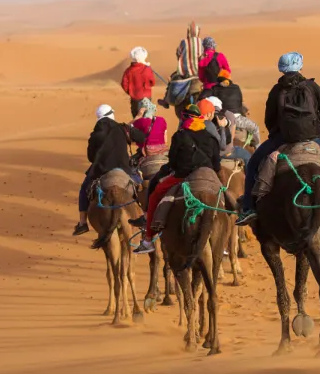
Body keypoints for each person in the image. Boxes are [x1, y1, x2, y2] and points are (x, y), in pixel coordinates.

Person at [235, 52, 320, 226]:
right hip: (312, 137)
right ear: (300, 66)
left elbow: (269, 119)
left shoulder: (276, 90)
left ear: (281, 69)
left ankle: (249, 209)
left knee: (252, 165)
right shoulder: (312, 86)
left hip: (283, 139)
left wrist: (280, 133)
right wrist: (316, 130)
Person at [134, 104, 221, 254]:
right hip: (208, 173)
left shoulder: (180, 135)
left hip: (183, 175)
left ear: (184, 118)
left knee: (155, 194)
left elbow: (173, 162)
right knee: (226, 195)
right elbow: (216, 164)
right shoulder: (210, 136)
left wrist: (167, 171)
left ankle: (148, 239)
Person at [73, 104, 146, 237]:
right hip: (124, 169)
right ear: (112, 114)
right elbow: (142, 137)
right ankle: (146, 216)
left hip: (100, 170)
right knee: (141, 185)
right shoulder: (123, 128)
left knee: (84, 189)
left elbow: (91, 157)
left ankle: (82, 223)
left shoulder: (95, 134)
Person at [121, 47, 157, 117]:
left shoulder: (128, 70)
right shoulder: (147, 69)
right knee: (147, 120)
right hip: (147, 98)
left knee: (136, 120)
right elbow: (153, 82)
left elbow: (124, 84)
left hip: (135, 99)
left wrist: (131, 92)